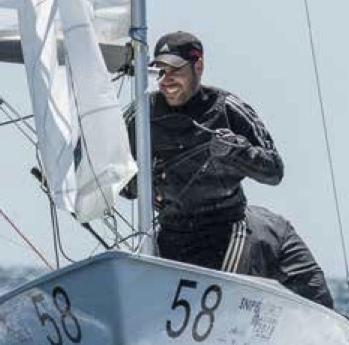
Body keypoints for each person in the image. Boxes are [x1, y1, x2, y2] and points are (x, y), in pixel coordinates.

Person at [125, 31, 334, 308]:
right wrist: (141, 181)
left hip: (226, 229)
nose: (166, 80)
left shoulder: (228, 108)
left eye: (175, 71)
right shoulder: (142, 114)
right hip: (172, 232)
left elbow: (274, 170)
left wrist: (238, 151)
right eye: (160, 72)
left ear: (198, 66)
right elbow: (114, 178)